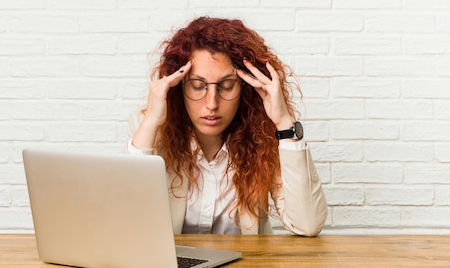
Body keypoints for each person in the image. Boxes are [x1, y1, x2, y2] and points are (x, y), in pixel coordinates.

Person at [127, 16, 327, 236]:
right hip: (173, 267)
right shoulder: (150, 129)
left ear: (246, 88)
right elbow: (130, 225)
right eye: (197, 85)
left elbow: (308, 224)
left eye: (227, 86)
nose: (211, 104)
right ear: (177, 86)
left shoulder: (264, 135)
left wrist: (284, 123)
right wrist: (152, 123)